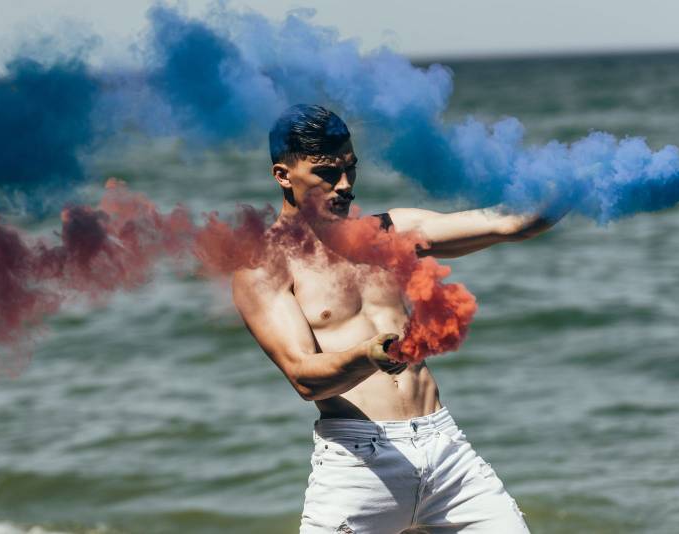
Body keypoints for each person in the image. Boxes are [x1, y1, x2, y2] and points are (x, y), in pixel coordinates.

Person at [232, 104, 561, 533]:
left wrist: (578, 183)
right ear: (283, 175)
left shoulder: (389, 231)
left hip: (445, 450)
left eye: (350, 168)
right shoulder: (264, 268)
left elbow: (514, 224)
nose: (344, 185)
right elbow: (304, 377)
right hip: (358, 466)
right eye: (327, 173)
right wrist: (370, 354)